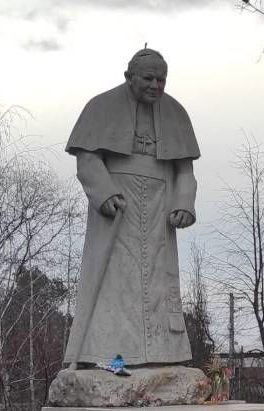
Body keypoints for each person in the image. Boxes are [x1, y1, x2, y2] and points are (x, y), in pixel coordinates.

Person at [63, 48, 199, 367]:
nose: (155, 85)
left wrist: (184, 203)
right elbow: (87, 158)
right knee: (114, 283)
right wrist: (104, 193)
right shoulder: (101, 107)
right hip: (117, 207)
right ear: (129, 77)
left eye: (161, 79)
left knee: (159, 283)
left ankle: (163, 356)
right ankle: (110, 360)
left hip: (159, 209)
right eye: (148, 78)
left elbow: (185, 170)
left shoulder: (176, 113)